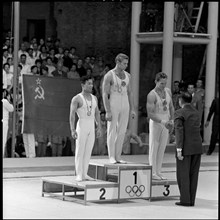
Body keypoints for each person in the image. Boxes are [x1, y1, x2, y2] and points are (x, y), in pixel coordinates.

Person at [102, 53, 136, 164]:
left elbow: (130, 93)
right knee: (112, 130)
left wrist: (132, 109)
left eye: (127, 63)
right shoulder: (109, 75)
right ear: (118, 62)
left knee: (122, 131)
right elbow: (104, 94)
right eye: (124, 63)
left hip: (125, 103)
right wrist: (107, 111)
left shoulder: (128, 76)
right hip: (114, 102)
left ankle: (118, 156)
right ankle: (111, 156)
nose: (126, 65)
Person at [69, 75, 101, 181]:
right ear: (83, 85)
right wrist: (72, 129)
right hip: (82, 125)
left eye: (92, 83)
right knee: (80, 150)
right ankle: (79, 174)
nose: (91, 86)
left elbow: (97, 113)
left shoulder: (94, 98)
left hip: (91, 125)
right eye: (89, 83)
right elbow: (72, 115)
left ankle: (85, 173)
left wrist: (99, 127)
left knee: (88, 151)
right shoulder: (77, 98)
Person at [174, 91, 203, 207]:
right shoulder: (196, 113)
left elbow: (179, 131)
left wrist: (179, 149)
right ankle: (191, 200)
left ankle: (185, 200)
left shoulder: (179, 112)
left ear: (181, 101)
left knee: (183, 174)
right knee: (193, 175)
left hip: (185, 147)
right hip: (197, 147)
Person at [146, 72, 174, 180]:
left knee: (162, 148)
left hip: (166, 122)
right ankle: (152, 173)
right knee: (154, 147)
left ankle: (159, 171)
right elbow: (150, 114)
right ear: (156, 82)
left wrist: (171, 120)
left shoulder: (167, 91)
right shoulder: (152, 95)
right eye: (161, 83)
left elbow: (171, 107)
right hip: (156, 123)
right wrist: (163, 122)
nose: (164, 86)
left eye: (165, 83)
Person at [204, 91, 219, 155]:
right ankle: (210, 150)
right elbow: (211, 111)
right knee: (214, 135)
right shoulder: (215, 101)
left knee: (214, 135)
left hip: (216, 119)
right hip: (216, 119)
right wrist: (208, 120)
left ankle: (210, 150)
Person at [2, 89, 14, 157]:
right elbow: (11, 109)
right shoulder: (5, 101)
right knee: (3, 141)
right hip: (4, 122)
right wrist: (9, 100)